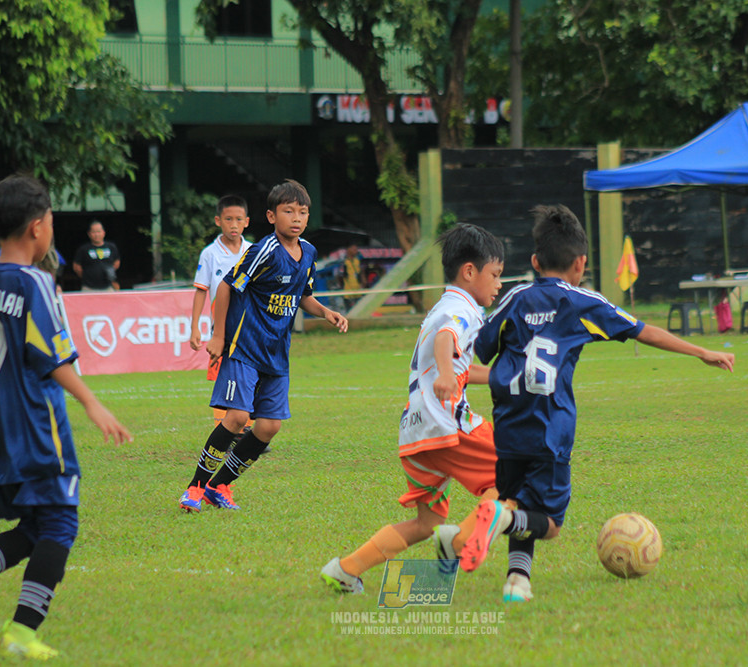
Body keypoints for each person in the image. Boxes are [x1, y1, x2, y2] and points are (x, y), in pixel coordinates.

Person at [458, 205, 734, 603]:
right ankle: (501, 521)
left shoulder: (516, 297)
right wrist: (699, 351)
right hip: (551, 427)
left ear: (535, 261)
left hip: (508, 426)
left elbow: (478, 350)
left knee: (517, 499)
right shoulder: (583, 302)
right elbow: (644, 331)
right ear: (581, 263)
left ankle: (517, 581)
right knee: (547, 523)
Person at [0, 175, 132, 659]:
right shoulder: (34, 283)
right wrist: (91, 403)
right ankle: (22, 630)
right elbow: (53, 357)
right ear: (38, 228)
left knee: (36, 528)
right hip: (38, 426)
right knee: (61, 525)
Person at [319, 224, 505, 593]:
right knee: (516, 473)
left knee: (427, 523)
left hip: (415, 434)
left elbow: (456, 363)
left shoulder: (442, 305)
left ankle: (346, 568)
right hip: (445, 424)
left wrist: (505, 378)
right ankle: (460, 543)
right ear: (469, 272)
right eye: (496, 275)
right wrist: (449, 373)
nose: (499, 284)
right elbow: (446, 339)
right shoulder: (460, 309)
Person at [178, 180, 348, 513]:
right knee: (238, 417)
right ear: (271, 216)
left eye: (302, 212)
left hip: (276, 353)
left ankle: (219, 485)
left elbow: (303, 295)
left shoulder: (309, 252)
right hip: (245, 347)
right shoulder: (264, 250)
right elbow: (226, 288)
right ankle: (195, 488)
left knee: (269, 426)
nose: (296, 218)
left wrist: (326, 312)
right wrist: (218, 336)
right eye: (288, 211)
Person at [188, 195, 253, 431]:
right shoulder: (210, 254)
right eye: (228, 219)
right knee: (223, 375)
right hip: (223, 328)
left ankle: (248, 428)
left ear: (247, 221)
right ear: (218, 221)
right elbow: (201, 291)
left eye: (238, 219)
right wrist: (195, 326)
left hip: (251, 327)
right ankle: (222, 429)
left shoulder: (253, 251)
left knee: (252, 375)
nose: (233, 225)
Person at [72, 220, 119, 291]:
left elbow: (116, 262)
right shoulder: (83, 249)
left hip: (108, 287)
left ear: (103, 233)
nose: (96, 234)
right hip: (88, 288)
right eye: (94, 232)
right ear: (89, 234)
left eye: (99, 232)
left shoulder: (111, 247)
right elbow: (76, 267)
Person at [339, 244, 364, 310]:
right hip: (348, 292)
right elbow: (340, 276)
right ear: (348, 250)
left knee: (359, 310)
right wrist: (342, 288)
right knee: (349, 311)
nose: (356, 251)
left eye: (356, 249)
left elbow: (359, 273)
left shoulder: (357, 260)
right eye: (354, 249)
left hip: (358, 291)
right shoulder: (344, 261)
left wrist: (362, 283)